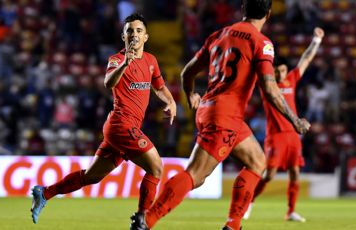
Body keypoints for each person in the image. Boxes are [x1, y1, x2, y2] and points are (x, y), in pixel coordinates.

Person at [130, 1, 310, 230]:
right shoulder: (262, 43)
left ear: (243, 10)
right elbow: (270, 88)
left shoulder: (219, 34)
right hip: (225, 115)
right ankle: (147, 220)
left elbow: (187, 72)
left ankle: (233, 225)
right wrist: (295, 121)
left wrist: (191, 95)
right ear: (269, 14)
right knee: (195, 175)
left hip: (215, 110)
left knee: (257, 162)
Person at [30, 13, 177, 224]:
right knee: (156, 167)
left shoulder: (151, 61)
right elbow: (109, 83)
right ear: (123, 37)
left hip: (125, 129)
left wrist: (170, 102)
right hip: (121, 125)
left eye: (138, 31)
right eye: (129, 31)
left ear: (146, 37)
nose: (134, 34)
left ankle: (44, 193)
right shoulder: (116, 59)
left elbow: (160, 87)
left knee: (92, 177)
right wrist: (125, 62)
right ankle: (142, 219)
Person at [244, 27, 324, 222]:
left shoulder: (291, 80)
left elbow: (305, 60)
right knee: (269, 174)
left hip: (293, 135)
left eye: (283, 71)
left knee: (295, 173)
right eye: (277, 71)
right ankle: (249, 202)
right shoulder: (267, 85)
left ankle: (290, 211)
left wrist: (316, 41)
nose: (280, 75)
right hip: (276, 135)